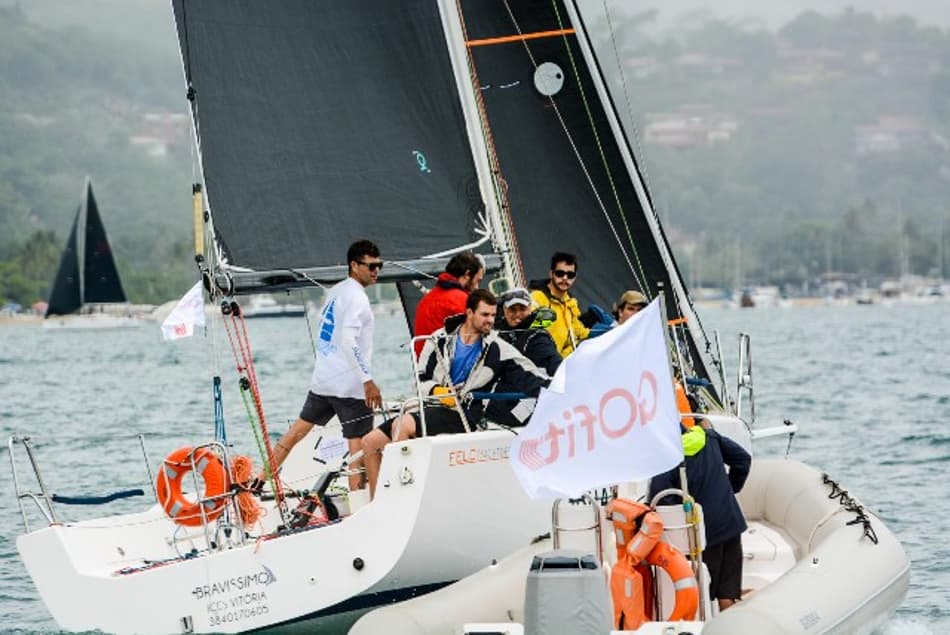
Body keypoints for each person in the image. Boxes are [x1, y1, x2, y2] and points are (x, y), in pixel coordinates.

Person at [363, 289, 549, 496]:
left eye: (493, 315)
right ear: (469, 313)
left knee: (403, 425)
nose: (490, 320)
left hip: (466, 412)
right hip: (434, 404)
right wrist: (437, 391)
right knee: (369, 442)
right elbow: (421, 378)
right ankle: (377, 503)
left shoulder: (498, 348)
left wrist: (559, 390)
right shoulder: (438, 339)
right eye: (485, 314)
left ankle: (403, 497)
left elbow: (531, 376)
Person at [256, 240, 383, 493]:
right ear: (354, 265)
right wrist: (367, 380)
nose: (376, 271)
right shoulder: (358, 298)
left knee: (296, 432)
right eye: (371, 266)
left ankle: (258, 480)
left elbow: (327, 336)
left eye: (379, 266)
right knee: (357, 448)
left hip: (324, 381)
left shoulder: (336, 291)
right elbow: (348, 341)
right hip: (350, 387)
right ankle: (358, 501)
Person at [648, 413, 751, 612]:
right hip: (731, 523)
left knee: (703, 595)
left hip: (703, 534)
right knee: (727, 595)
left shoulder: (668, 458)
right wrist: (730, 489)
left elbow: (662, 500)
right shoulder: (708, 437)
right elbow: (743, 460)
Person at [485, 288, 561, 427]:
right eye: (512, 309)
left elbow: (559, 371)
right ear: (504, 310)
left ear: (530, 309)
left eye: (522, 309)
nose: (517, 314)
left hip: (529, 405)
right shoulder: (499, 333)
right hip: (502, 399)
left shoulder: (538, 339)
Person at [412, 251, 484, 356]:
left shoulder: (426, 299)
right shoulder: (462, 300)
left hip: (424, 362)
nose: (477, 287)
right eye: (477, 281)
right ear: (467, 275)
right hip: (446, 363)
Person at [529, 251, 590, 357]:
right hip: (544, 361)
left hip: (565, 360)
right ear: (551, 273)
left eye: (570, 275)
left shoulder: (570, 302)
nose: (565, 278)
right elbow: (532, 334)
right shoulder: (537, 298)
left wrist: (605, 332)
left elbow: (578, 331)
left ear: (575, 278)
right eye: (560, 273)